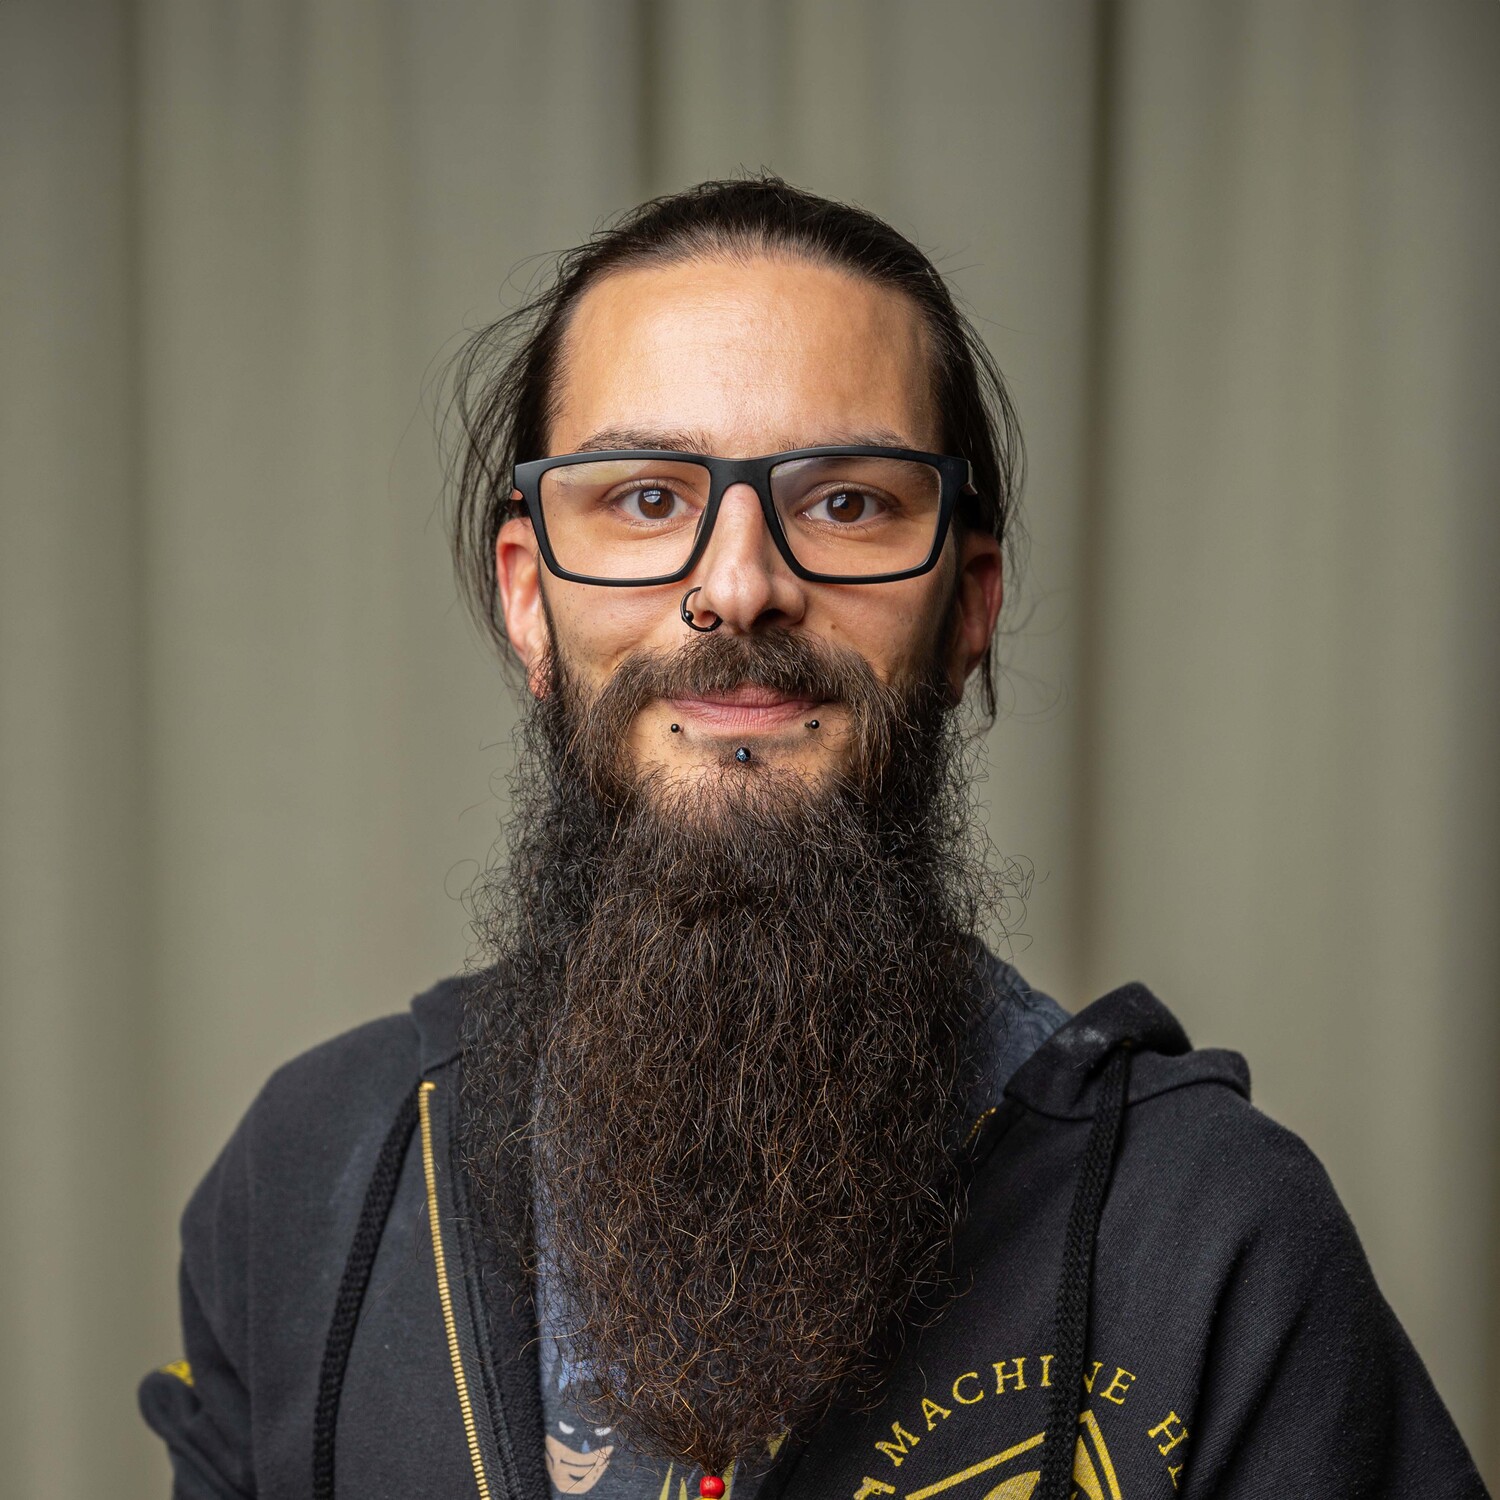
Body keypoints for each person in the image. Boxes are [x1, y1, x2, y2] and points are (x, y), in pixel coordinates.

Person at [139, 177, 1488, 1500]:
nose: (738, 587)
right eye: (646, 499)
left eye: (846, 502)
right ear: (529, 600)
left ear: (969, 606)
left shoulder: (1211, 1238)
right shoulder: (311, 1182)